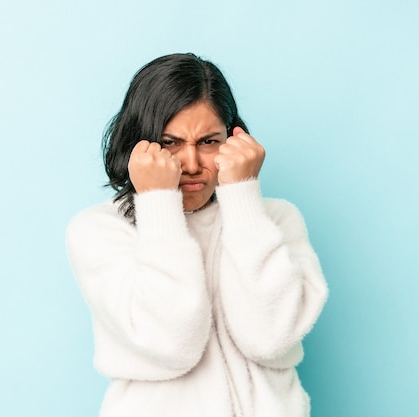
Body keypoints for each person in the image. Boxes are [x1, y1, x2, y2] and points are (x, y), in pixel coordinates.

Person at [66, 53, 328, 417]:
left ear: (234, 139)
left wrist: (243, 198)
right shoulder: (99, 230)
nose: (190, 164)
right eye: (170, 142)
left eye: (208, 141)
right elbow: (172, 345)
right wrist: (157, 201)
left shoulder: (277, 219)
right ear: (139, 144)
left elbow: (268, 338)